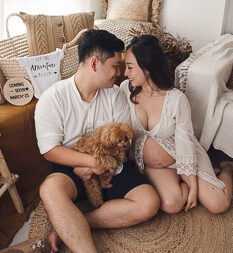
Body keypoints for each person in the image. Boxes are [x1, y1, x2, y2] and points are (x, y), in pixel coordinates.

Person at [35, 30, 160, 253]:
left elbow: (124, 142)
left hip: (113, 165)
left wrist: (102, 163)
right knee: (50, 189)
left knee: (149, 203)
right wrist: (88, 163)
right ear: (94, 63)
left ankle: (79, 222)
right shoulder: (52, 98)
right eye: (115, 65)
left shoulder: (115, 95)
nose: (120, 72)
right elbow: (50, 150)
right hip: (71, 166)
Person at [120, 35, 233, 214]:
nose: (125, 73)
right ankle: (179, 183)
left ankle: (227, 169)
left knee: (219, 205)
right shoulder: (125, 90)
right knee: (171, 205)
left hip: (183, 158)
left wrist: (193, 187)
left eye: (129, 67)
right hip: (154, 167)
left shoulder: (175, 99)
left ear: (147, 67)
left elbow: (185, 144)